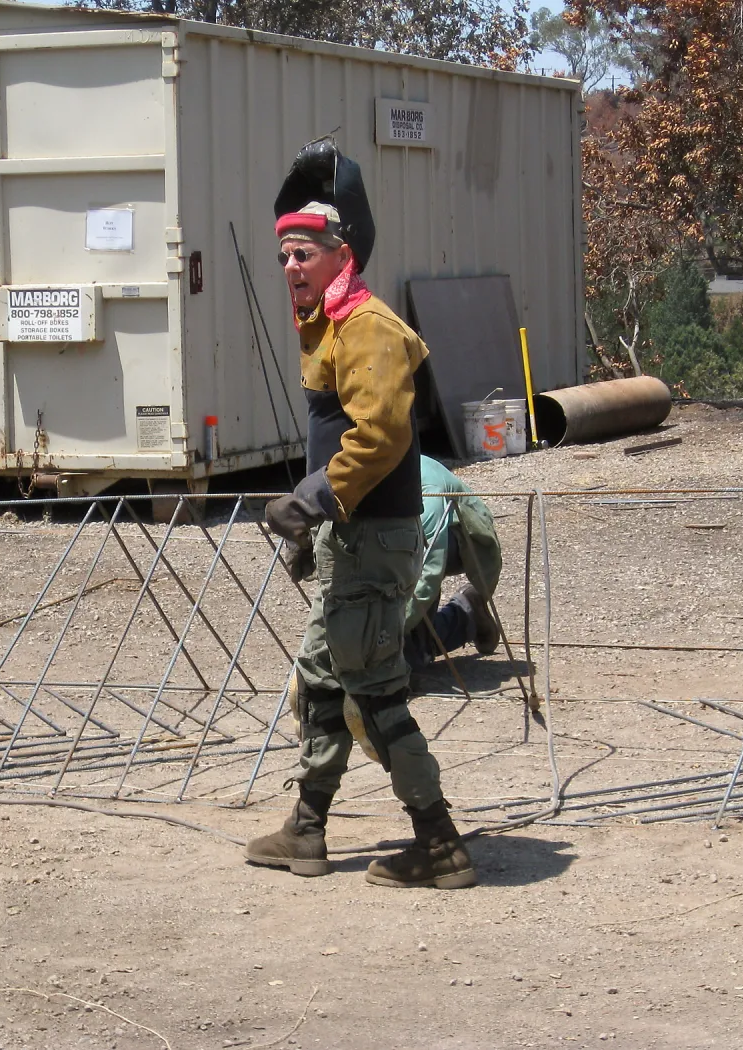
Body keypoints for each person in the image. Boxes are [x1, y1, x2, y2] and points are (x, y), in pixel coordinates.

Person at [247, 141, 476, 889]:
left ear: (342, 252)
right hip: (353, 536)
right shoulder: (332, 328)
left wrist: (315, 498)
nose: (290, 267)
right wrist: (318, 527)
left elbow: (380, 434)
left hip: (377, 539)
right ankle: (307, 830)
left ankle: (440, 844)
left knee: (374, 692)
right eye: (283, 255)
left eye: (303, 252)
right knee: (320, 681)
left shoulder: (369, 326)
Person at [405, 456, 503, 671]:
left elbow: (428, 571)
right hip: (417, 539)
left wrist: (392, 632)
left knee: (408, 654)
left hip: (464, 537)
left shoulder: (427, 491)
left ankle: (462, 617)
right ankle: (465, 616)